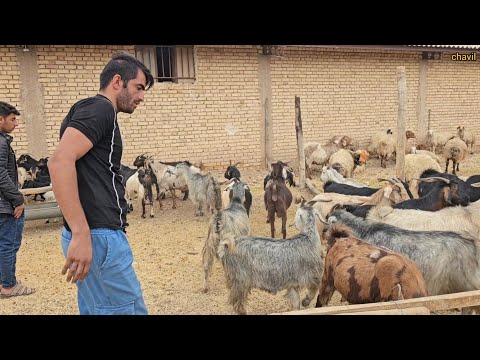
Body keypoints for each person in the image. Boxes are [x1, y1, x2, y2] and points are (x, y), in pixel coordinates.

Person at [48, 52, 154, 315]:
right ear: (117, 81)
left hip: (96, 235)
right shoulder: (100, 108)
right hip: (97, 236)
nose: (142, 97)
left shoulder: (93, 111)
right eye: (139, 88)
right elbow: (60, 162)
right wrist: (82, 233)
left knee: (102, 308)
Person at [0, 101, 36, 298]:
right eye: (12, 119)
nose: (16, 124)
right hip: (5, 205)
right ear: (1, 119)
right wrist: (18, 199)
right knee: (8, 245)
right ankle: (8, 286)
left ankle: (3, 282)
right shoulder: (1, 142)